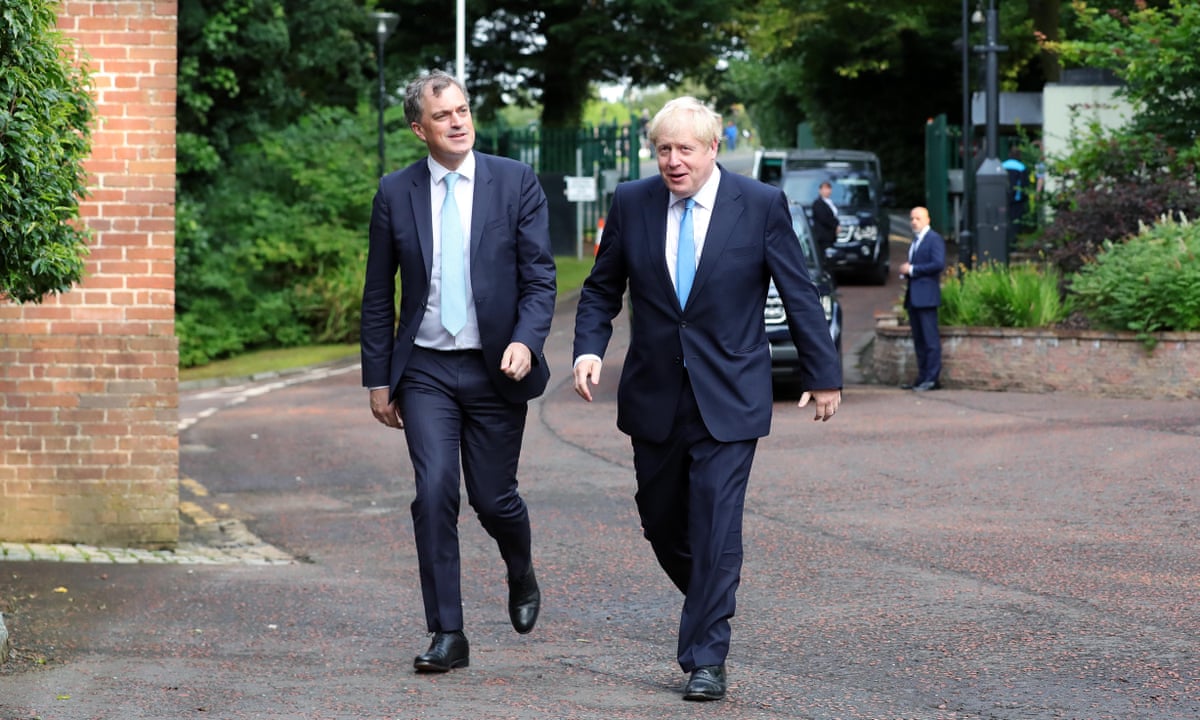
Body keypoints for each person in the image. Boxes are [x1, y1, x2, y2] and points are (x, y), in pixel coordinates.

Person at [571, 97, 842, 702]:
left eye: (684, 149)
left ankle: (706, 657)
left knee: (717, 523)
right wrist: (588, 348)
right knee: (662, 523)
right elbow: (599, 290)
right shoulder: (632, 203)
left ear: (713, 149)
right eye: (663, 149)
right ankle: (713, 594)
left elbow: (798, 293)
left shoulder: (761, 205)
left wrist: (823, 374)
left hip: (731, 395)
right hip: (655, 395)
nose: (672, 161)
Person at [360, 69, 556, 674]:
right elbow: (377, 295)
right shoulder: (395, 192)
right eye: (443, 115)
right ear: (419, 128)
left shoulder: (515, 182)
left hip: (497, 368)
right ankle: (449, 631)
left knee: (494, 501)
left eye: (464, 110)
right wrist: (377, 379)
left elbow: (541, 279)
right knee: (435, 490)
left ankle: (519, 569)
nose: (459, 121)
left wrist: (526, 341)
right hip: (424, 371)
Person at [898, 207, 945, 391]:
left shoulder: (934, 239)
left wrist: (912, 270)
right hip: (914, 297)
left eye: (918, 218)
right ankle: (923, 376)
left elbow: (938, 264)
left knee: (930, 340)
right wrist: (907, 273)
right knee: (919, 340)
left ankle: (932, 378)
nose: (914, 222)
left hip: (927, 298)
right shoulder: (916, 241)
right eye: (912, 218)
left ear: (927, 219)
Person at [810, 180, 840, 249]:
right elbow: (824, 218)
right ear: (820, 190)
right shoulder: (817, 203)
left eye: (829, 188)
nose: (827, 191)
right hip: (823, 237)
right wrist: (836, 225)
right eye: (825, 188)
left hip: (831, 236)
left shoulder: (830, 202)